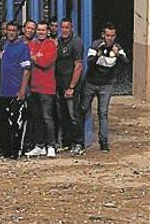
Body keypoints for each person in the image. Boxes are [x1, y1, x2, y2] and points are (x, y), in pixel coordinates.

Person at [74, 22, 129, 154]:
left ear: (115, 36)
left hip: (106, 85)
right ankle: (79, 141)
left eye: (112, 35)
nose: (110, 38)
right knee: (83, 109)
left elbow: (125, 63)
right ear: (103, 35)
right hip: (91, 83)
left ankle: (103, 143)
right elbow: (90, 63)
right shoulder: (95, 45)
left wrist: (118, 55)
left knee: (103, 113)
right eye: (107, 35)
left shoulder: (117, 48)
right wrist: (99, 54)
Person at [0, 21, 32, 158]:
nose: (10, 32)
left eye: (13, 30)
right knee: (4, 123)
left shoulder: (23, 48)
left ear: (18, 32)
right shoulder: (6, 45)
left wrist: (22, 91)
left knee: (17, 123)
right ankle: (6, 150)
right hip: (4, 92)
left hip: (17, 92)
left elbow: (27, 71)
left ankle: (17, 151)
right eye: (8, 30)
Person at [24, 21, 58, 158]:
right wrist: (36, 58)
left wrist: (34, 58)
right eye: (39, 30)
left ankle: (51, 146)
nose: (41, 32)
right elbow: (26, 60)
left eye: (44, 30)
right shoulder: (32, 44)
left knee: (47, 118)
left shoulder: (51, 44)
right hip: (34, 87)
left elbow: (46, 63)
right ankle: (39, 145)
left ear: (48, 31)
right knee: (36, 118)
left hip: (47, 88)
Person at [54, 17, 83, 152]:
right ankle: (66, 142)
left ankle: (78, 143)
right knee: (62, 115)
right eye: (62, 27)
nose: (64, 30)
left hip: (71, 86)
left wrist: (71, 87)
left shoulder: (76, 43)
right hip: (59, 85)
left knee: (73, 115)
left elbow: (78, 66)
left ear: (72, 28)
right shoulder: (59, 42)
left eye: (67, 27)